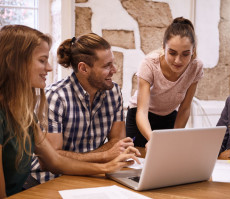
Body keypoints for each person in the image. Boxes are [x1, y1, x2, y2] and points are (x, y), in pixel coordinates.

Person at [0, 25, 140, 198]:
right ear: (17, 63)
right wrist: (104, 157)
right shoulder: (53, 97)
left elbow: (55, 161)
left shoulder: (23, 112)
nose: (50, 68)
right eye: (42, 60)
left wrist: (105, 167)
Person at [30, 33, 136, 184]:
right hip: (54, 179)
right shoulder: (55, 97)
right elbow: (53, 158)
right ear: (83, 68)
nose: (115, 70)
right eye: (107, 65)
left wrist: (101, 157)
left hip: (96, 174)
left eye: (113, 63)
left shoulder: (113, 92)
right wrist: (104, 155)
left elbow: (119, 141)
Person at [126, 17, 203, 148]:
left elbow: (184, 109)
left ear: (193, 50)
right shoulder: (149, 64)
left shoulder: (196, 67)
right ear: (163, 47)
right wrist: (153, 140)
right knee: (141, 160)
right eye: (172, 53)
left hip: (168, 116)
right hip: (140, 117)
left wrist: (175, 137)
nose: (178, 61)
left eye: (185, 54)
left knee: (168, 157)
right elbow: (141, 112)